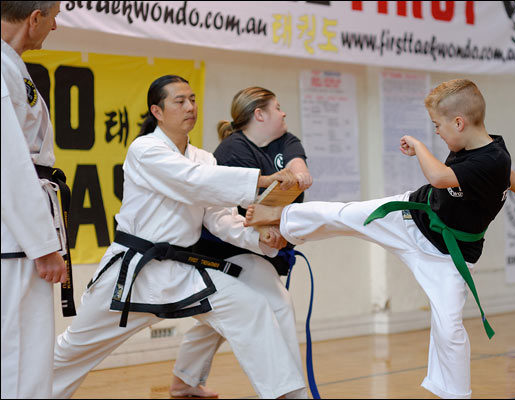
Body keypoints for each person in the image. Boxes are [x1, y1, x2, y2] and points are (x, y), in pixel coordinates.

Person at [244, 79, 515, 399]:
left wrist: (419, 146)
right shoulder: (486, 151)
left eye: (438, 126)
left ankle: (455, 393)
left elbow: (441, 177)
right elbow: (509, 175)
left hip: (449, 257)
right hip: (410, 219)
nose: (438, 133)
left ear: (459, 122)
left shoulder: (491, 158)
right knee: (346, 215)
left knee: (449, 325)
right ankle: (281, 218)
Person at [52, 75, 306, 399]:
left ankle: (289, 396)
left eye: (193, 100)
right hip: (134, 273)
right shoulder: (145, 149)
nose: (190, 107)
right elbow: (192, 181)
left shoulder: (203, 157)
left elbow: (219, 217)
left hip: (182, 272)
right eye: (179, 101)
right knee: (74, 349)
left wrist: (259, 240)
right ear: (157, 111)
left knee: (252, 307)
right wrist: (265, 179)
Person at [170, 87, 312, 398]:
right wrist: (264, 228)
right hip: (222, 250)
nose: (284, 113)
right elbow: (232, 218)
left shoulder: (285, 140)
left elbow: (299, 167)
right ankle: (292, 393)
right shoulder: (232, 151)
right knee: (277, 304)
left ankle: (184, 380)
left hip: (258, 244)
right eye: (277, 107)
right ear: (259, 114)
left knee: (217, 317)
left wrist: (299, 175)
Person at [1, 2, 67, 398]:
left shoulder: (12, 65)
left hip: (18, 234)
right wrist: (43, 246)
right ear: (34, 19)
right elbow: (9, 164)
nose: (56, 26)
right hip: (14, 238)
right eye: (54, 16)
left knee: (28, 348)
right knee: (19, 351)